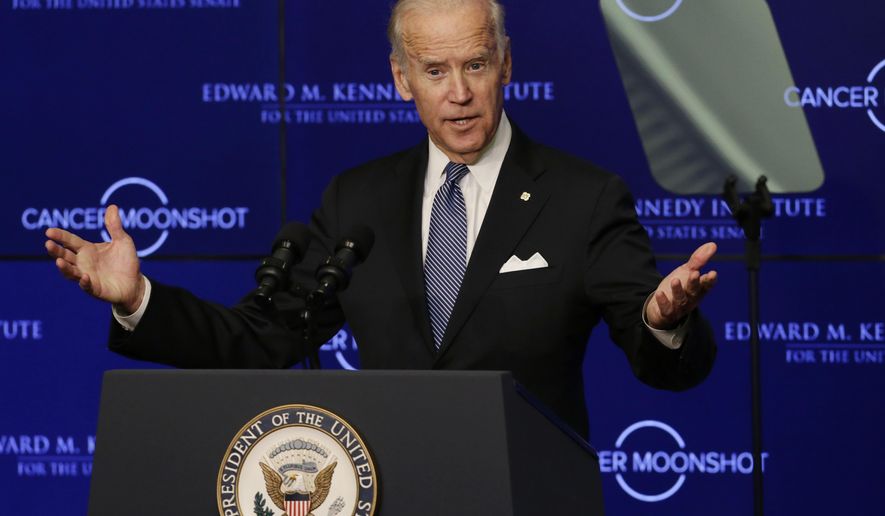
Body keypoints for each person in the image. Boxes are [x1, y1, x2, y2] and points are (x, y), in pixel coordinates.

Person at [45, 0, 717, 438]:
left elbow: (665, 362)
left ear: (504, 65)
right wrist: (138, 300)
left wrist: (664, 321)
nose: (457, 93)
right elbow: (261, 337)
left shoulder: (582, 197)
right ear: (401, 79)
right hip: (390, 493)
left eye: (475, 65)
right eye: (434, 71)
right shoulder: (356, 200)